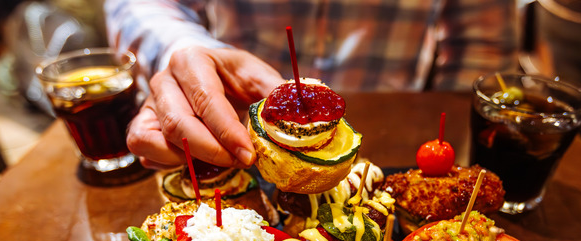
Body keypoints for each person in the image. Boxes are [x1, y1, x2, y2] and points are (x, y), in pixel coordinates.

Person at [103, 0, 519, 169]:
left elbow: (479, 42)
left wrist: (442, 137)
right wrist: (181, 51)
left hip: (388, 142)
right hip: (229, 118)